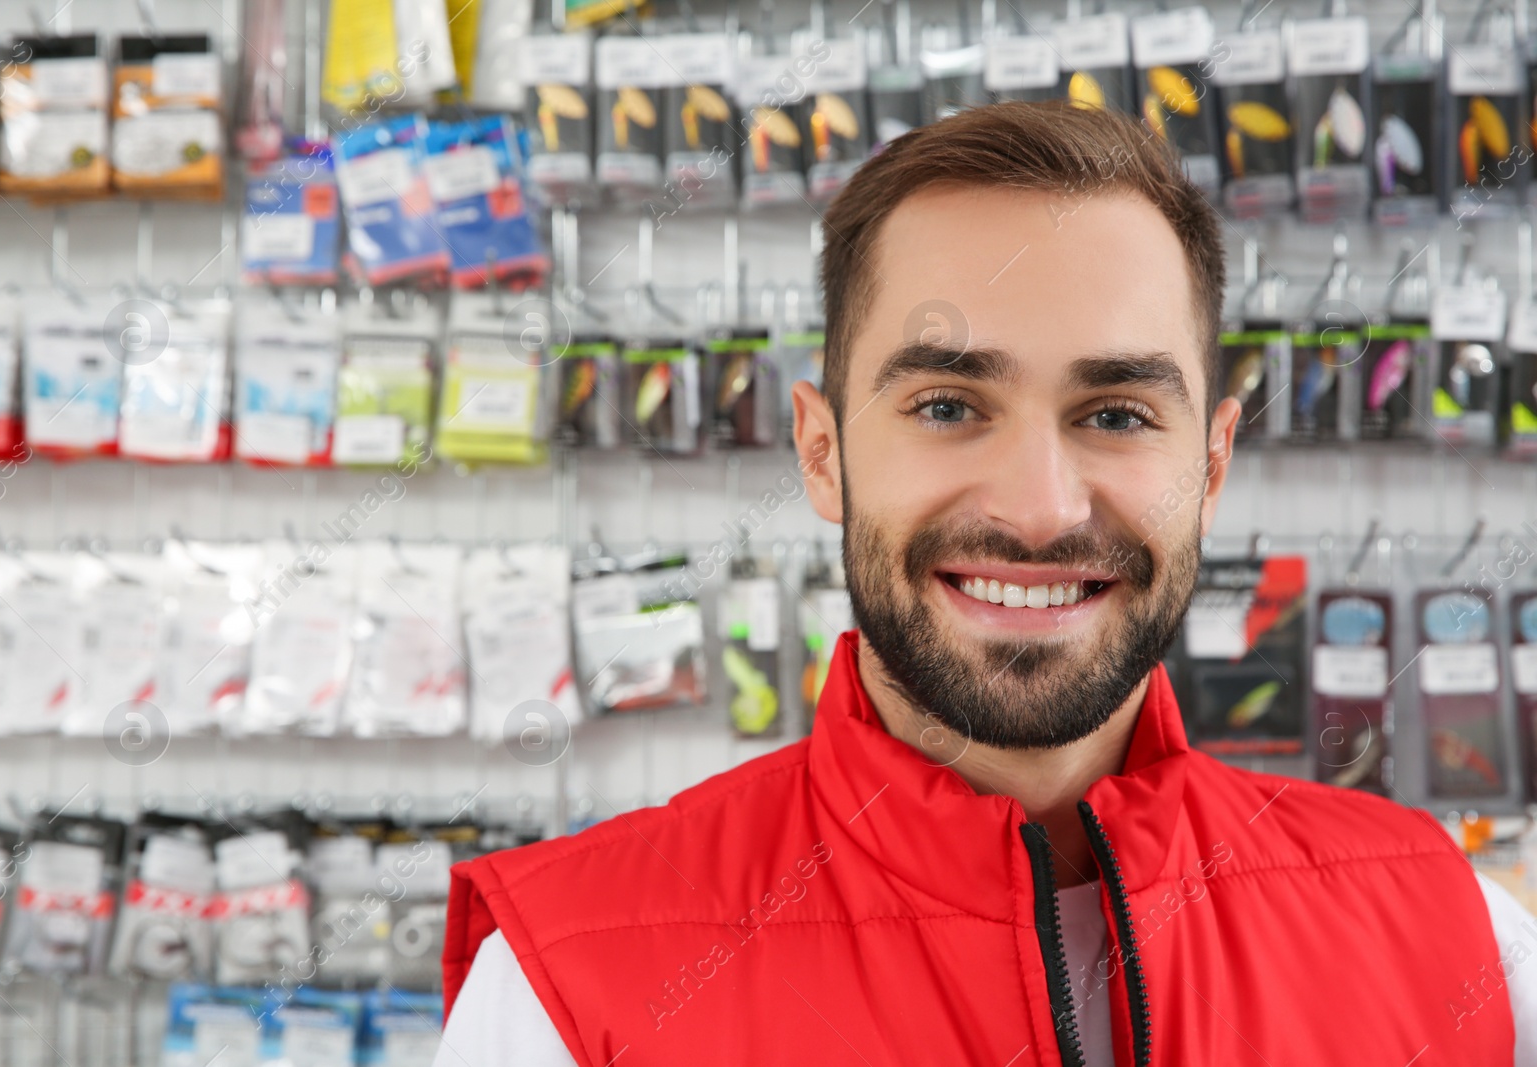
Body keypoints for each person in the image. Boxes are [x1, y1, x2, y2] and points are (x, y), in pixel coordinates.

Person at [434, 101, 1537, 1066]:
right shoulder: (564, 992)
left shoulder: (1461, 941)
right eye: (949, 406)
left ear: (1208, 467)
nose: (1040, 507)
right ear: (821, 451)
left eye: (1114, 415)